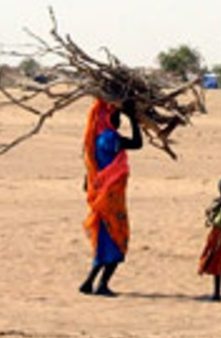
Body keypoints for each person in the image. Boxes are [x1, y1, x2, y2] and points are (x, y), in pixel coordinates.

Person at [79, 98, 142, 296]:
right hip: (110, 198)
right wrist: (133, 118)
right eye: (116, 116)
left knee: (104, 239)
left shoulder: (96, 139)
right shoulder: (109, 138)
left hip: (102, 195)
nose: (119, 120)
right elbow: (137, 143)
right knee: (117, 238)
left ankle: (88, 283)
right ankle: (102, 285)